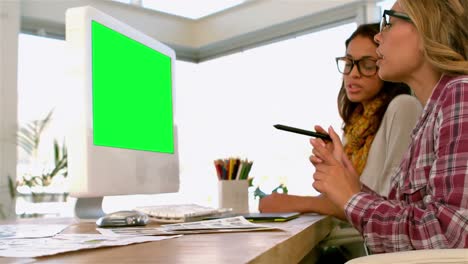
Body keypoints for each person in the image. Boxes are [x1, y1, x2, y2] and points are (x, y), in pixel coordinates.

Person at [310, 0, 468, 253]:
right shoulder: (431, 115)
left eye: (390, 22)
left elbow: (452, 236)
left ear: (428, 28)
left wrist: (352, 198)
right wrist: (352, 184)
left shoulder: (461, 94)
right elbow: (409, 216)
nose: (378, 35)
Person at [259, 23, 422, 218]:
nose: (353, 73)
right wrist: (333, 169)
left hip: (377, 246)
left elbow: (388, 206)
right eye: (348, 63)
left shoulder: (403, 107)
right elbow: (351, 200)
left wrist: (301, 202)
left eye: (367, 65)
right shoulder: (354, 128)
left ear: (385, 63)